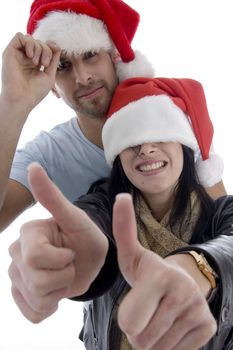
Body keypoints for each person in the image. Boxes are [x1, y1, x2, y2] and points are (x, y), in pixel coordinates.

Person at [9, 77, 233, 350]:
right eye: (132, 142)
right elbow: (91, 223)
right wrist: (68, 250)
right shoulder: (105, 204)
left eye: (159, 135)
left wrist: (198, 269)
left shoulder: (223, 211)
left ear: (184, 147)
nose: (146, 149)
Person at [0, 0, 226, 233]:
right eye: (63, 66)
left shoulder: (168, 117)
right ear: (53, 87)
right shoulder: (49, 154)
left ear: (115, 56)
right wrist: (14, 102)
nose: (83, 77)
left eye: (90, 54)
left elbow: (224, 228)